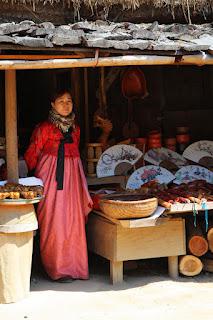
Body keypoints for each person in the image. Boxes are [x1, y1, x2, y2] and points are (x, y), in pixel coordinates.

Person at [24, 90, 93, 282]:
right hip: (50, 178)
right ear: (52, 105)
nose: (65, 105)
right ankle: (56, 269)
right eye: (61, 101)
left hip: (73, 178)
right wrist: (35, 179)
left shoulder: (76, 129)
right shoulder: (44, 128)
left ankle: (76, 267)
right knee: (54, 221)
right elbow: (32, 155)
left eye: (69, 101)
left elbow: (76, 152)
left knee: (74, 220)